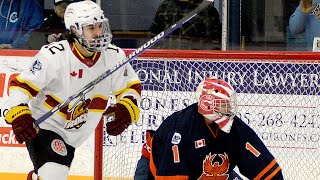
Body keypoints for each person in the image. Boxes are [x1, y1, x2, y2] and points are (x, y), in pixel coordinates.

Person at [2, 1, 141, 179]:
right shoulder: (53, 56)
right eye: (91, 28)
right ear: (75, 30)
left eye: (100, 26)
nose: (98, 32)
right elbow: (21, 86)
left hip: (76, 134)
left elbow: (131, 86)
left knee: (52, 174)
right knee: (54, 175)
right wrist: (19, 114)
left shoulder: (114, 56)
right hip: (45, 125)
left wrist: (127, 107)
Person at [149, 77, 284, 179]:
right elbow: (170, 173)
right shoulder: (180, 128)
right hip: (157, 172)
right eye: (223, 105)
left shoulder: (236, 128)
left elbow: (266, 169)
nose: (229, 108)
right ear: (207, 105)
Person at [149, 0, 221, 50]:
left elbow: (214, 45)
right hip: (164, 62)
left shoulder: (207, 10)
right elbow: (153, 38)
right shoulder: (165, 7)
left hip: (194, 64)